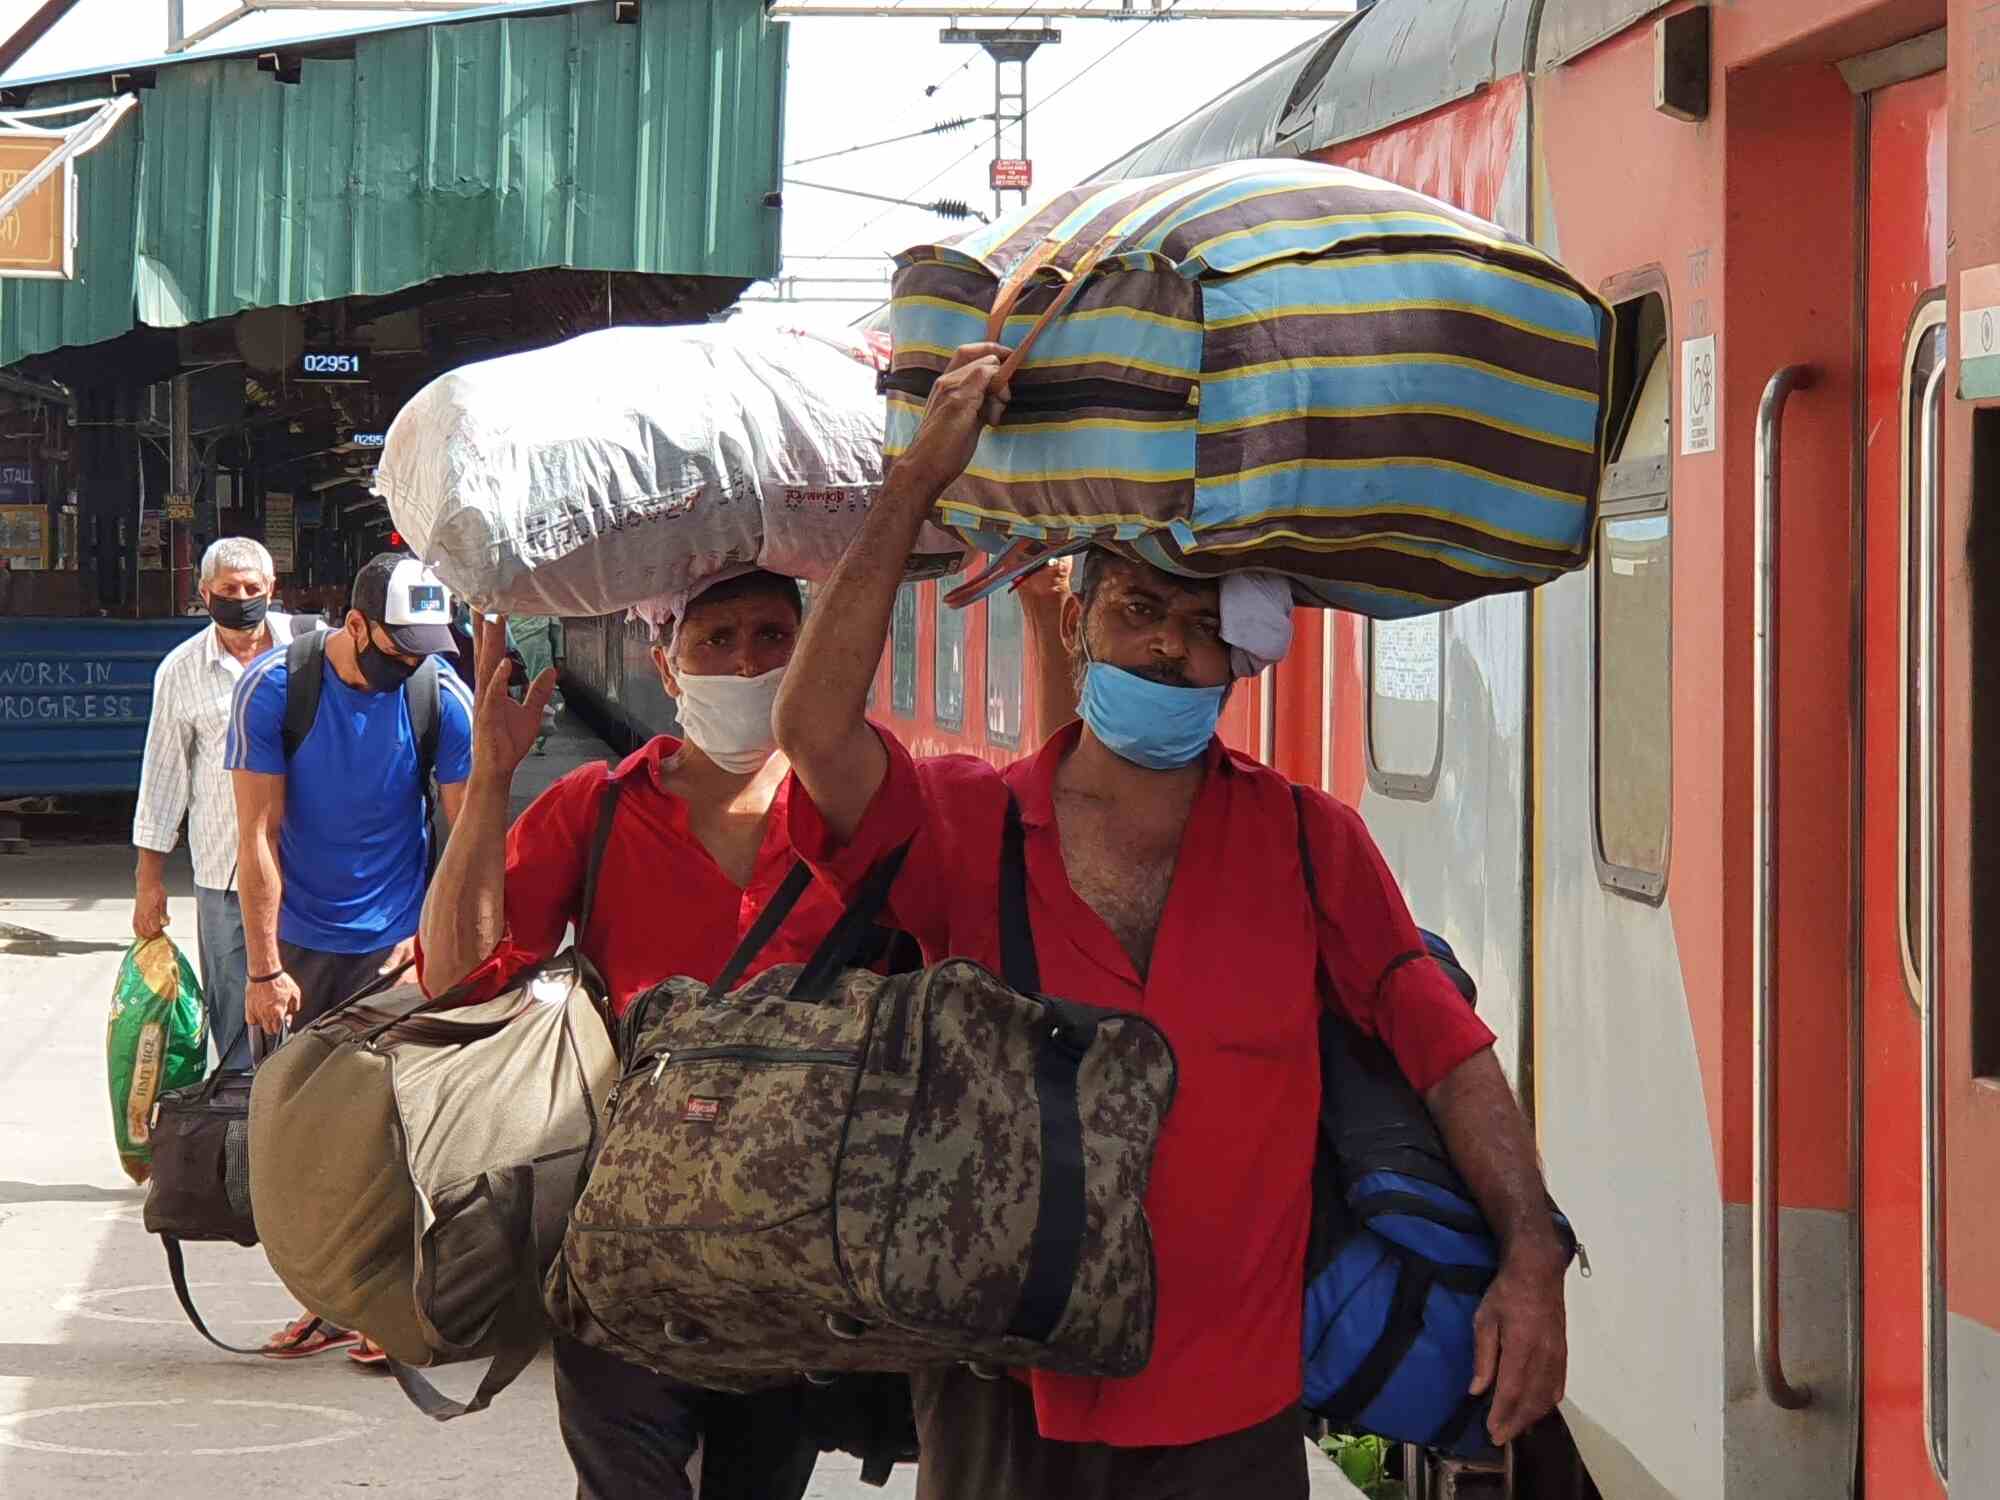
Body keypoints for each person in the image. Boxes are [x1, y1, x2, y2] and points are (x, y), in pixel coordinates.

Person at [771, 344, 1573, 1500]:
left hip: (1231, 1414)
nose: (1165, 645)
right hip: (1005, 1395)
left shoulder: (1310, 843)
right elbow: (816, 734)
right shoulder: (965, 827)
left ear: (1236, 660)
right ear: (1075, 622)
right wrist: (913, 488)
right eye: (1138, 609)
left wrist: (1530, 1252)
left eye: (1200, 625)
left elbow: (1445, 1056)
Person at [416, 570, 834, 1500]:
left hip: (799, 1241)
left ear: (814, 651)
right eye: (716, 640)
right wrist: (488, 778)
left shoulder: (865, 810)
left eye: (773, 636)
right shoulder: (596, 809)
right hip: (621, 1229)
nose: (747, 662)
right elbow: (454, 976)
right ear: (666, 667)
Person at [225, 552, 474, 1359]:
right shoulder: (273, 690)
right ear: (354, 623)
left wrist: (435, 938)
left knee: (395, 1137)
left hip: (398, 948)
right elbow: (256, 833)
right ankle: (323, 1302)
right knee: (300, 1139)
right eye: (393, 649)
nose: (407, 664)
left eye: (422, 651)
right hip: (297, 946)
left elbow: (469, 837)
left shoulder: (442, 697)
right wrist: (263, 968)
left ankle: (387, 1304)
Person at [133, 538, 300, 1073]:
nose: (243, 598)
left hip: (310, 870)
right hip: (224, 877)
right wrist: (148, 881)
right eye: (229, 590)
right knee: (237, 1023)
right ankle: (240, 1141)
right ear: (204, 593)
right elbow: (163, 780)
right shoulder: (180, 671)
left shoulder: (311, 655)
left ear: (273, 590)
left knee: (313, 1023)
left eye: (253, 589)